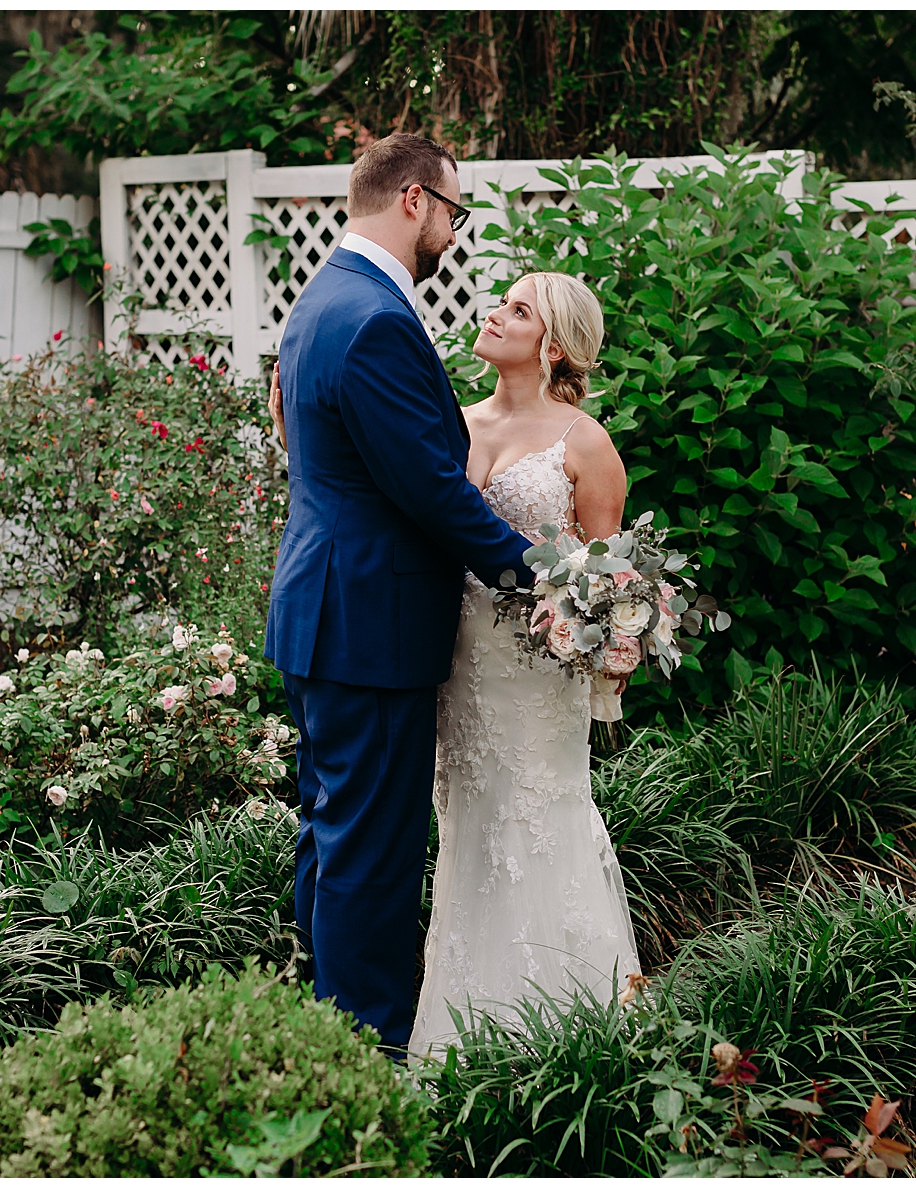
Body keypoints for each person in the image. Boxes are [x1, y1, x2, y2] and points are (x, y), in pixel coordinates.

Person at [269, 261, 642, 1058]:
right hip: (451, 653)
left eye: (520, 311)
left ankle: (563, 1025)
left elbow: (605, 575)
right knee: (464, 828)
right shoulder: (454, 421)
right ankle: (457, 1023)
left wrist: (601, 628)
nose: (497, 315)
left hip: (534, 671)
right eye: (501, 302)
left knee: (534, 818)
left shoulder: (587, 443)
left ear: (556, 347)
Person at [264, 133, 534, 1055]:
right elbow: (426, 484)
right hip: (368, 623)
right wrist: (537, 576)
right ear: (415, 200)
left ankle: (318, 1027)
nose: (453, 231)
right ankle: (366, 1050)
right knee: (371, 857)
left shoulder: (322, 301)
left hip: (326, 612)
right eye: (454, 211)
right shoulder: (376, 316)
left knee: (334, 833)